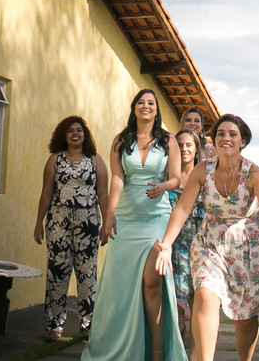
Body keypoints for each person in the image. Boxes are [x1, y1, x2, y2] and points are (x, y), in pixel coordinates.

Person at [156, 115, 259, 361]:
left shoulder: (254, 172)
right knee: (204, 294)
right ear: (213, 141)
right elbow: (182, 209)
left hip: (248, 248)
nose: (226, 138)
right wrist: (166, 245)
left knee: (245, 317)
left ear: (242, 141)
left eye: (232, 134)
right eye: (221, 134)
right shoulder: (202, 170)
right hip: (210, 244)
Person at [82, 89, 186, 361]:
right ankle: (122, 346)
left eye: (151, 103)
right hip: (127, 219)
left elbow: (176, 177)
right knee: (122, 286)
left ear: (156, 109)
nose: (146, 106)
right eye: (141, 102)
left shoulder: (168, 140)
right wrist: (110, 215)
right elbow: (117, 179)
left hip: (157, 218)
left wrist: (164, 185)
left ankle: (157, 350)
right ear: (134, 107)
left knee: (152, 281)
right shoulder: (121, 139)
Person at [34, 116, 109, 341]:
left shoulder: (95, 160)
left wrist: (107, 223)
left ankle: (89, 327)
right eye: (70, 131)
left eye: (79, 130)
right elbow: (47, 192)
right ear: (63, 135)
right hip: (58, 223)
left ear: (85, 135)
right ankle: (54, 326)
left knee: (87, 275)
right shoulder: (55, 160)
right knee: (57, 272)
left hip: (88, 224)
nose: (75, 133)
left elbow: (103, 193)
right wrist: (39, 223)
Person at [166, 127, 205, 336]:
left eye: (188, 145)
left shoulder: (205, 176)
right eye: (179, 145)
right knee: (173, 294)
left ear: (196, 149)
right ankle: (177, 343)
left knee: (197, 294)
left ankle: (198, 347)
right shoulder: (167, 176)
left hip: (198, 243)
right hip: (172, 244)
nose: (183, 149)